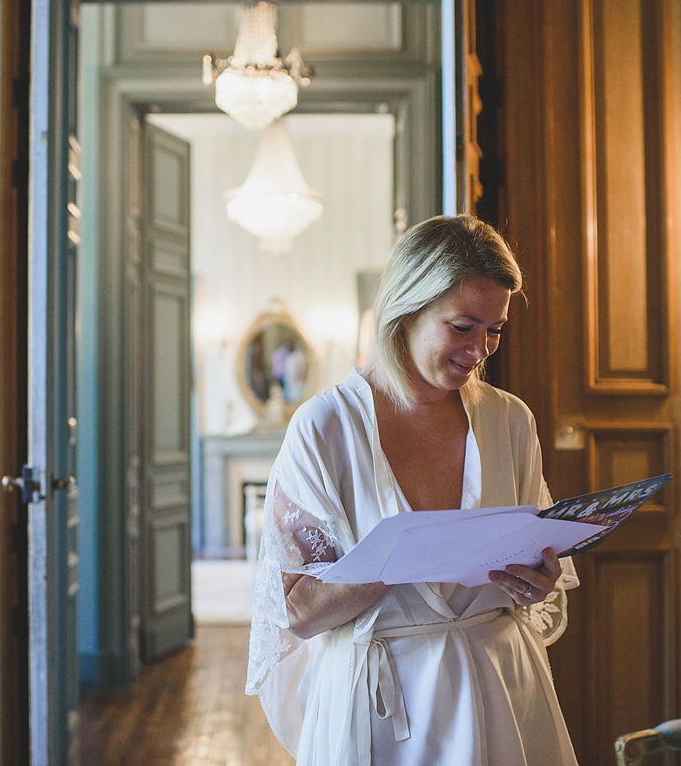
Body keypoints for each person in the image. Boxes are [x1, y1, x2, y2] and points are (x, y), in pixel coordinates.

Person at [246, 214, 579, 766]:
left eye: (494, 330)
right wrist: (399, 559)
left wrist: (537, 580)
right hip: (381, 706)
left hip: (502, 689)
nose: (480, 350)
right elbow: (297, 611)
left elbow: (538, 573)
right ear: (407, 308)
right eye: (463, 327)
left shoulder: (510, 421)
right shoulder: (326, 428)